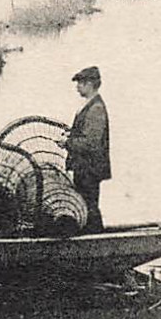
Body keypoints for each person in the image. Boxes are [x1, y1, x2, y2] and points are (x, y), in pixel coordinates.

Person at [61, 65, 112, 232]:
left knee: (89, 206)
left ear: (90, 84)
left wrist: (67, 143)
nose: (77, 87)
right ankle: (91, 236)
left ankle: (95, 241)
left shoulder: (96, 108)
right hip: (84, 167)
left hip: (90, 168)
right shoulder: (89, 106)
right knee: (86, 205)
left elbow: (91, 143)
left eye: (80, 83)